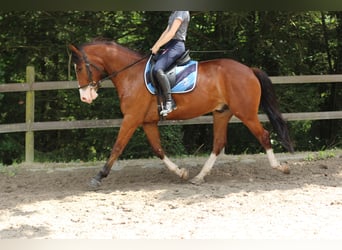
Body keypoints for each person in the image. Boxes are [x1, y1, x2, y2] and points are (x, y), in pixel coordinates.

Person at [151, 11, 190, 117]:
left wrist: (158, 46)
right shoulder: (174, 12)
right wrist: (155, 45)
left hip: (177, 45)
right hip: (169, 45)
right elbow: (166, 31)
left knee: (157, 69)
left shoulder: (181, 11)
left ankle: (169, 101)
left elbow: (172, 33)